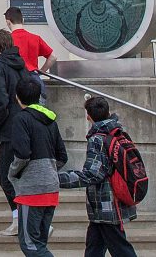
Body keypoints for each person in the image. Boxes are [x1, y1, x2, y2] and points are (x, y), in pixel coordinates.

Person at [58, 96, 138, 257]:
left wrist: (58, 179)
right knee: (94, 248)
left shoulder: (97, 138)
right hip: (110, 202)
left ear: (89, 116)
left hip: (106, 204)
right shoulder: (117, 132)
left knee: (121, 249)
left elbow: (93, 174)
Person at [4, 66, 66, 257]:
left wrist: (13, 172)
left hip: (31, 190)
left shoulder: (21, 119)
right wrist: (48, 169)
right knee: (40, 242)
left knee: (30, 244)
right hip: (51, 188)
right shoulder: (50, 121)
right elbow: (62, 156)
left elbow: (22, 154)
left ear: (17, 97)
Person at [0, 29, 43, 236]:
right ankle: (24, 216)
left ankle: (21, 218)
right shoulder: (21, 64)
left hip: (10, 128)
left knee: (5, 173)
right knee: (13, 173)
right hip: (28, 123)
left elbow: (0, 101)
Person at [3, 6, 56, 73]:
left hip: (15, 78)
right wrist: (41, 72)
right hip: (32, 78)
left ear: (8, 22)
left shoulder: (7, 40)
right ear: (23, 20)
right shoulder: (36, 38)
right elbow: (53, 57)